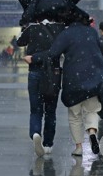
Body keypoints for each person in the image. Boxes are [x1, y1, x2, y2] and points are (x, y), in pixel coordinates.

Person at [24, 14, 103, 157]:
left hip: (73, 80)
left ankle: (79, 147)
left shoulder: (67, 34)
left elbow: (52, 53)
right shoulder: (92, 32)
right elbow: (99, 51)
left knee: (75, 115)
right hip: (93, 78)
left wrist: (34, 58)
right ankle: (92, 133)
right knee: (91, 110)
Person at [18, 18, 65, 156]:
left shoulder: (32, 29)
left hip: (35, 74)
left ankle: (35, 133)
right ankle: (48, 144)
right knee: (51, 112)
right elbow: (57, 51)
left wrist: (34, 57)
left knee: (35, 110)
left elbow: (19, 42)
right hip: (53, 75)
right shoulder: (59, 28)